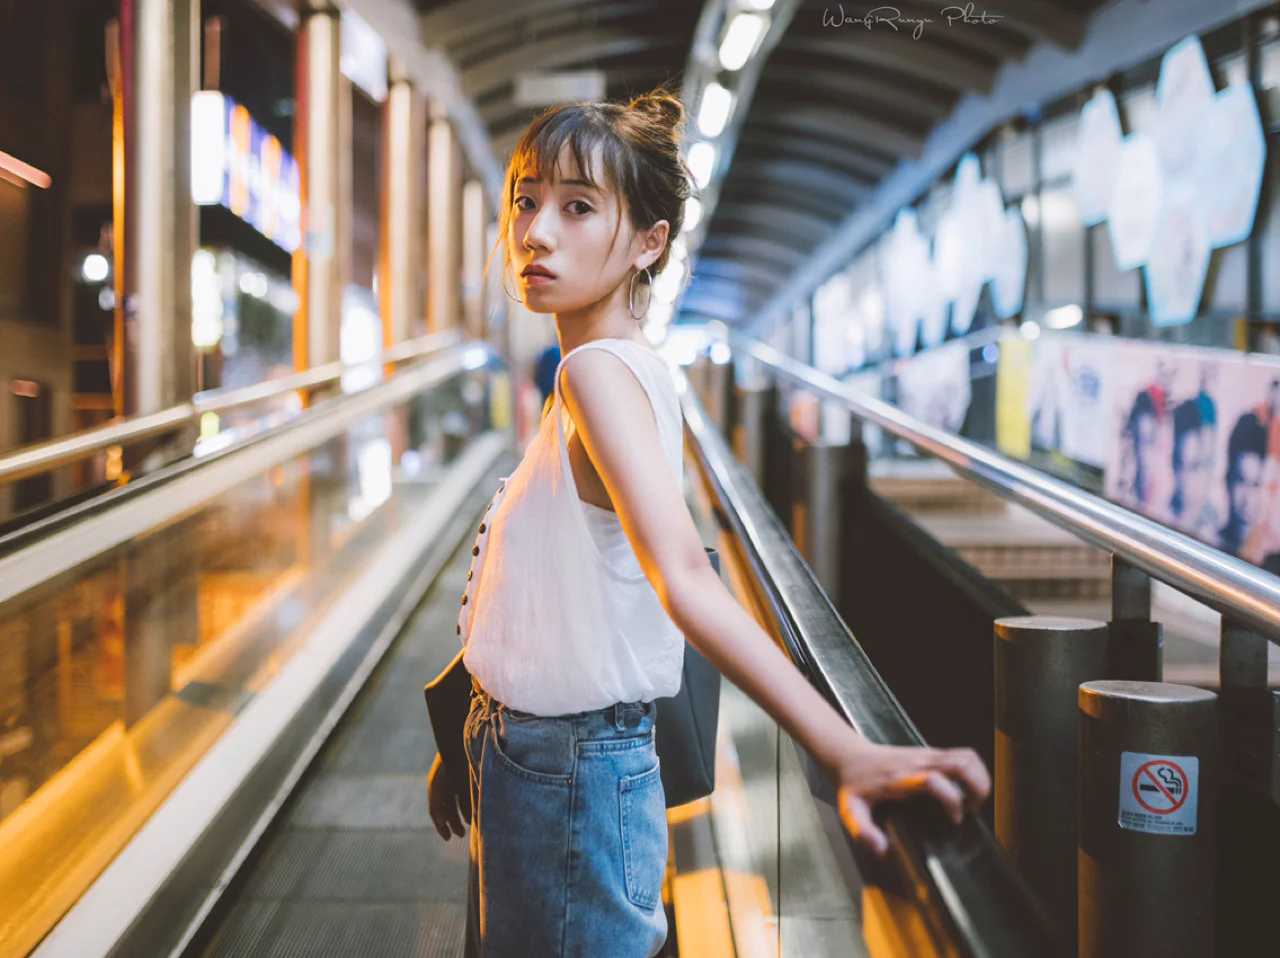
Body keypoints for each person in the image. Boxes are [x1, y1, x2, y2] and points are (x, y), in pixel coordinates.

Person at [425, 88, 989, 958]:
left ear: (649, 244)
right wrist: (471, 735)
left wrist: (842, 750)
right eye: (526, 200)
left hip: (563, 773)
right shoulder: (607, 371)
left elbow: (683, 577)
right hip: (537, 760)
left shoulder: (596, 378)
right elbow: (551, 587)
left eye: (579, 208)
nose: (535, 232)